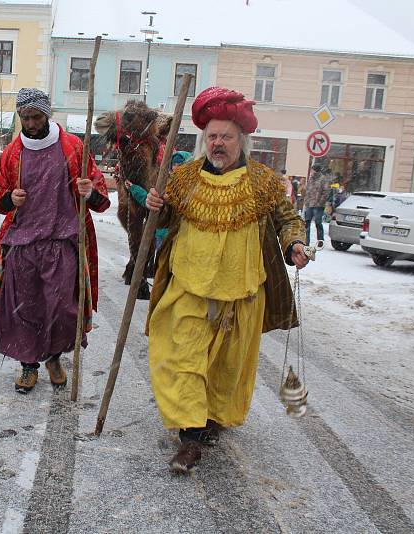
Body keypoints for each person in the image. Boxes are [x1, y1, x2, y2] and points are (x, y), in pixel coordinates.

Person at [144, 86, 310, 472]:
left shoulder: (264, 182)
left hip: (242, 296)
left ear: (241, 140)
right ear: (204, 140)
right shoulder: (182, 178)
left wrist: (295, 244)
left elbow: (287, 219)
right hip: (188, 287)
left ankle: (210, 419)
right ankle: (189, 438)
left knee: (225, 368)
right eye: (213, 136)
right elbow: (164, 219)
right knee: (183, 360)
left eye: (226, 137)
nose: (218, 143)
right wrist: (155, 206)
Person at [0, 88, 110, 393]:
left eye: (36, 117)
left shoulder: (73, 147)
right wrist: (9, 198)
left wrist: (89, 191)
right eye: (25, 118)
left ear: (47, 114)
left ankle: (54, 357)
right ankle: (28, 365)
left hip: (62, 240)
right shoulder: (11, 153)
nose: (30, 123)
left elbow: (100, 196)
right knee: (24, 308)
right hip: (23, 243)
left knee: (60, 307)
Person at [302, 162, 334, 244]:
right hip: (309, 203)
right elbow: (308, 190)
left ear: (315, 170)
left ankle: (320, 240)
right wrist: (306, 200)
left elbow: (326, 191)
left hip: (318, 205)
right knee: (307, 222)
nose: (311, 171)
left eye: (312, 169)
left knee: (318, 223)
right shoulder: (311, 178)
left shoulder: (323, 179)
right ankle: (306, 240)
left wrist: (320, 202)